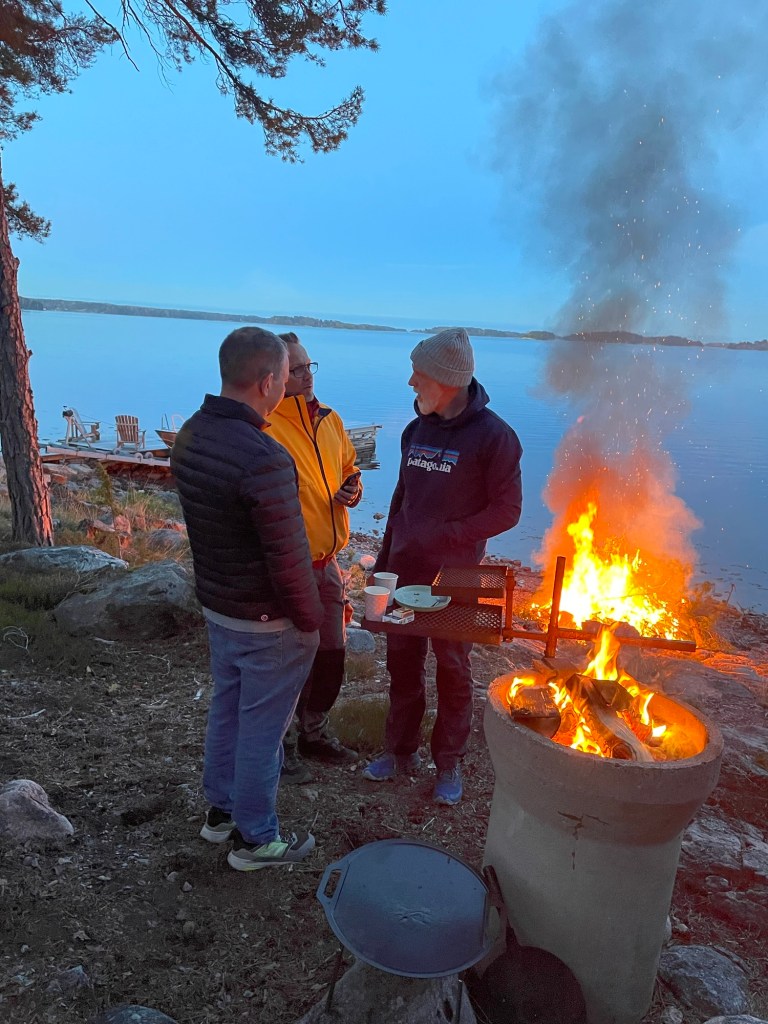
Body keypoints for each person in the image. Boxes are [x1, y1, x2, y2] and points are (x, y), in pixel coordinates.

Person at [171, 326, 324, 871]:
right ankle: (256, 839)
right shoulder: (265, 457)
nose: (286, 386)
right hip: (266, 622)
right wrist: (311, 622)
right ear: (266, 382)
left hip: (220, 608)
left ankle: (220, 813)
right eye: (284, 377)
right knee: (262, 729)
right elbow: (288, 557)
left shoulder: (192, 433)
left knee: (228, 710)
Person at [362, 327, 523, 806]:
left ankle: (448, 763)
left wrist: (449, 534)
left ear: (448, 381)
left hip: (458, 576)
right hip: (406, 569)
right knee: (402, 664)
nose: (411, 382)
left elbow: (508, 511)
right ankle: (399, 751)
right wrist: (383, 563)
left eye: (419, 374)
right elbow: (401, 500)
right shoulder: (416, 430)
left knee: (453, 668)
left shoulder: (495, 437)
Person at [264, 332, 362, 783]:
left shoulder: (330, 420)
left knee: (331, 653)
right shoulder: (267, 427)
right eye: (296, 369)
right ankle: (281, 747)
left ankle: (313, 732)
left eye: (309, 366)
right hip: (291, 567)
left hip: (330, 564)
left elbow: (349, 467)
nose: (307, 376)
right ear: (276, 377)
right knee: (290, 660)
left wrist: (353, 489)